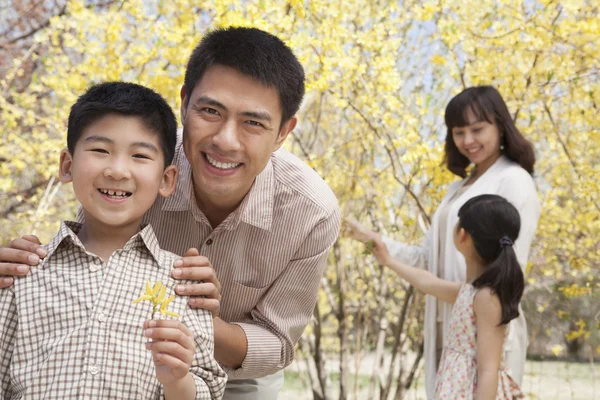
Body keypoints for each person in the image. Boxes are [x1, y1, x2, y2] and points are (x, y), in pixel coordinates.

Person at [0, 27, 340, 399]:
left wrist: (192, 320)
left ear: (283, 132)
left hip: (237, 373)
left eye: (253, 122)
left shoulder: (311, 211)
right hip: (131, 357)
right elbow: (88, 254)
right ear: (184, 103)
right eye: (210, 111)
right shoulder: (137, 163)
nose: (225, 140)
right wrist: (24, 271)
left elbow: (276, 344)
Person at [0, 82, 227, 399]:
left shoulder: (184, 284)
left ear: (166, 179)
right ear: (67, 165)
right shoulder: (22, 275)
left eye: (139, 155)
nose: (118, 170)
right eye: (100, 150)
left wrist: (177, 380)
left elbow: (207, 391)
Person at [345, 86, 540, 398]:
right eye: (458, 132)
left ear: (501, 125)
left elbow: (507, 268)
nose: (467, 141)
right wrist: (375, 243)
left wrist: (473, 301)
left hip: (484, 329)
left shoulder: (514, 181)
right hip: (449, 326)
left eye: (477, 129)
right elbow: (427, 259)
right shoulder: (458, 188)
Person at [358, 194, 525, 399]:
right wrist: (388, 260)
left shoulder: (487, 298)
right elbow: (427, 282)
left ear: (462, 235)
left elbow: (488, 370)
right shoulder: (471, 292)